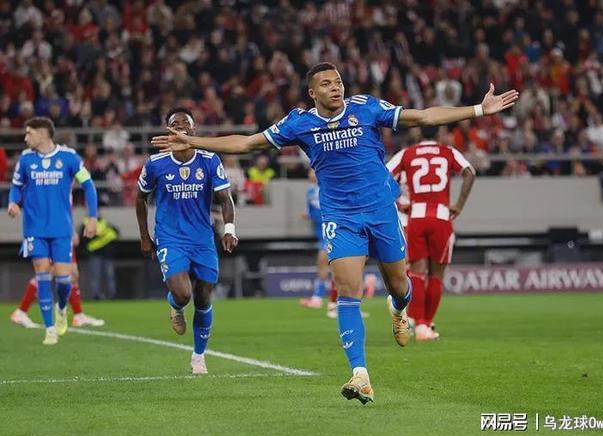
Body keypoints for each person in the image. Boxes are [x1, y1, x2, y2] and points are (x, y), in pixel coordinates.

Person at [152, 62, 518, 403]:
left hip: (381, 210)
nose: (335, 88)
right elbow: (246, 143)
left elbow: (423, 116)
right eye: (326, 84)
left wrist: (479, 110)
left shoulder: (366, 108)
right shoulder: (299, 123)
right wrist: (194, 142)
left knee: (399, 286)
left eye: (338, 81)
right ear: (312, 92)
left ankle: (398, 309)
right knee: (347, 290)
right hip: (341, 217)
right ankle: (360, 374)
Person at [136, 107, 239, 375]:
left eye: (186, 122)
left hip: (202, 239)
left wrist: (229, 229)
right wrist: (145, 236)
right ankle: (175, 305)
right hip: (170, 238)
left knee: (203, 297)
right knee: (183, 294)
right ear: (168, 130)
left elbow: (225, 198)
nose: (181, 125)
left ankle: (199, 356)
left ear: (193, 130)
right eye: (175, 123)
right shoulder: (156, 163)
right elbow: (140, 197)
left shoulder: (209, 160)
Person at [8, 117, 98, 345]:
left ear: (42, 134)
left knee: (65, 280)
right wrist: (13, 202)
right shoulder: (25, 159)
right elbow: (16, 186)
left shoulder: (69, 157)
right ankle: (49, 329)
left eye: (29, 133)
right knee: (42, 274)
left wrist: (92, 217)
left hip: (61, 229)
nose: (25, 138)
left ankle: (62, 308)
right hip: (34, 229)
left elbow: (88, 185)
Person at [387, 133, 476, 340]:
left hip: (416, 217)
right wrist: (459, 205)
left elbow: (383, 173)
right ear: (440, 134)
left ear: (419, 134)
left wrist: (399, 202)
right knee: (436, 275)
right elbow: (470, 172)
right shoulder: (448, 152)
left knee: (417, 272)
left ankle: (417, 323)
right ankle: (425, 324)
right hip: (441, 217)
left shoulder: (407, 153)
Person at [10, 234, 105, 328]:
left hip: (62, 234)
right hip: (53, 234)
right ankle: (21, 312)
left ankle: (78, 315)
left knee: (72, 275)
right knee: (48, 273)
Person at [299, 168, 330, 310]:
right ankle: (323, 298)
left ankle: (319, 297)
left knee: (323, 262)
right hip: (321, 233)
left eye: (313, 171)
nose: (311, 174)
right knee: (324, 264)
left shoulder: (328, 187)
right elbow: (310, 212)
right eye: (310, 172)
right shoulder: (310, 191)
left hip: (331, 231)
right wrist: (307, 214)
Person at [78, 215, 119, 299]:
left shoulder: (105, 223)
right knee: (95, 276)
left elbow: (116, 233)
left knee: (108, 276)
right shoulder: (86, 224)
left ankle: (111, 295)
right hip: (95, 255)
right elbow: (83, 239)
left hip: (106, 255)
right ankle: (96, 295)